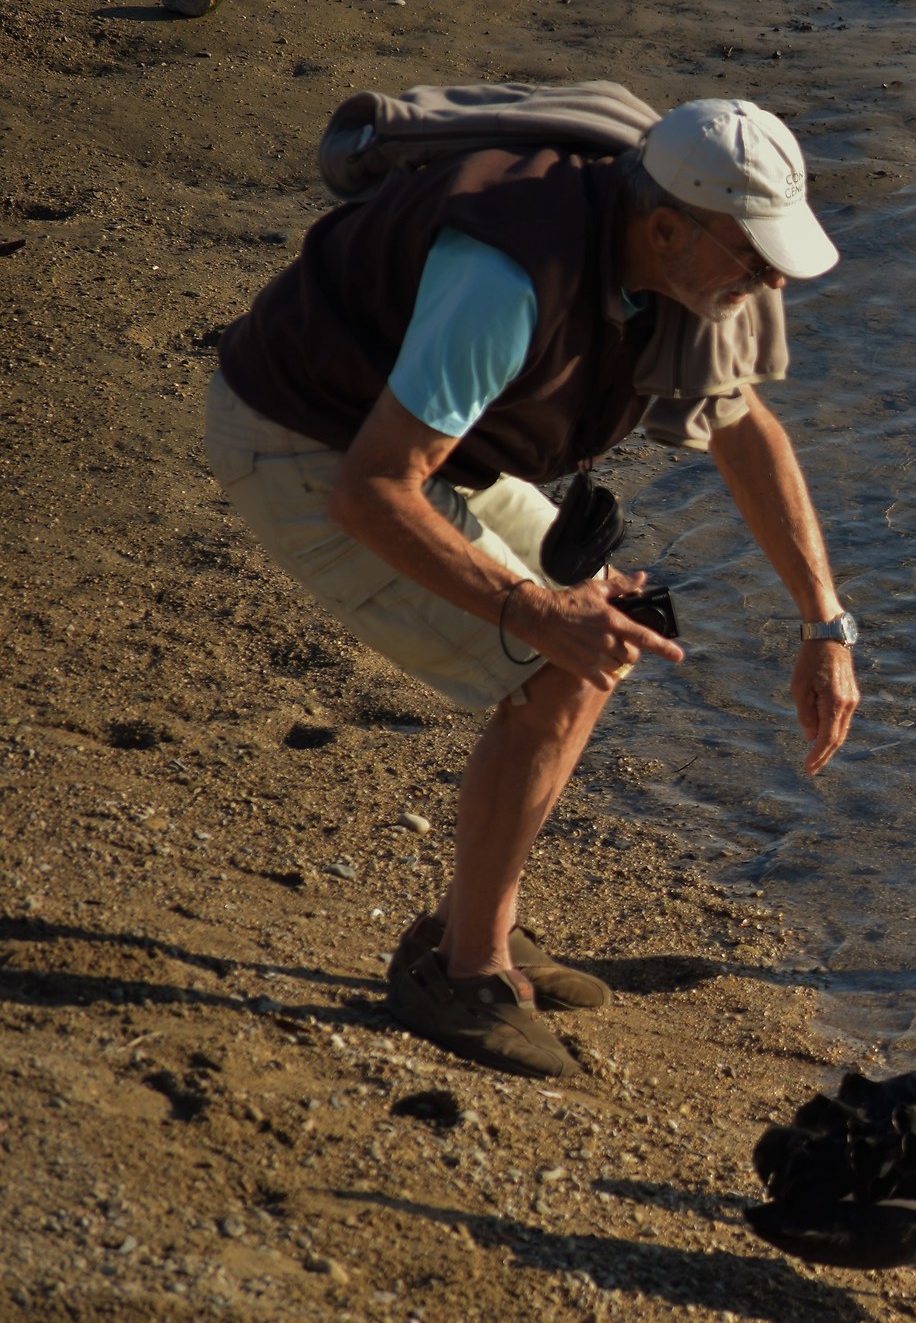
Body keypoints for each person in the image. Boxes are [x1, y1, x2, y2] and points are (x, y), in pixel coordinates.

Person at [205, 96, 861, 1079]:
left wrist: (825, 623)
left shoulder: (680, 263)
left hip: (426, 452)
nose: (770, 276)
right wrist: (526, 606)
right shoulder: (507, 280)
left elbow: (743, 428)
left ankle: (481, 927)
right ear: (668, 226)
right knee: (555, 657)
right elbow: (373, 487)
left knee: (606, 634)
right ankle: (462, 975)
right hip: (307, 443)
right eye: (752, 253)